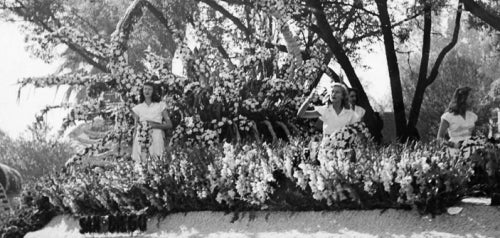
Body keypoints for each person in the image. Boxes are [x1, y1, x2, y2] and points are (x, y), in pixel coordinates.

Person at [131, 81, 173, 162]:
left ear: (153, 91)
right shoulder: (137, 108)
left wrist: (154, 125)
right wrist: (134, 145)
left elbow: (169, 124)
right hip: (141, 138)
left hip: (156, 137)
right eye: (145, 89)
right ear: (142, 91)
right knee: (142, 164)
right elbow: (136, 127)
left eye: (149, 89)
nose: (147, 91)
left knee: (157, 162)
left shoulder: (160, 105)